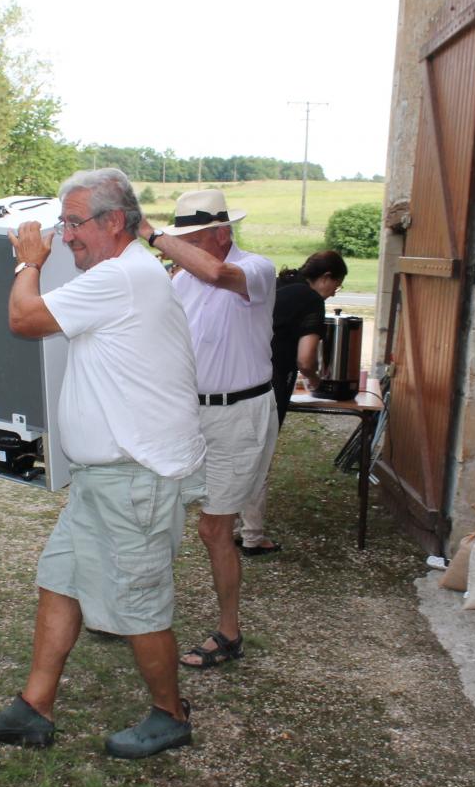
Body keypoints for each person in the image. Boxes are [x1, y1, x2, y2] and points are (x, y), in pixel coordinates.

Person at [0, 169, 206, 759]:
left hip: (134, 476)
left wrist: (28, 262)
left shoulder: (123, 276)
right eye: (62, 223)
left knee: (138, 602)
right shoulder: (120, 275)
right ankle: (34, 707)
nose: (65, 235)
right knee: (61, 581)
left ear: (114, 221)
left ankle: (171, 715)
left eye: (73, 223)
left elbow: (24, 318)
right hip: (105, 476)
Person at [143, 189, 278, 668]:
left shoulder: (256, 269)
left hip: (238, 415)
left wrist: (152, 235)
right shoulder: (182, 279)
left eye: (192, 240)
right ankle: (137, 615)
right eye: (181, 241)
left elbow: (219, 274)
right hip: (188, 412)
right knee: (153, 512)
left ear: (223, 234)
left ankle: (229, 633)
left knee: (214, 527)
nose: (183, 250)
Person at [237, 251, 348, 552]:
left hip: (240, 377)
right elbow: (305, 358)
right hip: (270, 383)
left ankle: (234, 526)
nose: (333, 292)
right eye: (336, 285)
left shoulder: (278, 284)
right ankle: (253, 536)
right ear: (325, 277)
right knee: (259, 458)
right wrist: (314, 379)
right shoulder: (311, 300)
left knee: (239, 454)